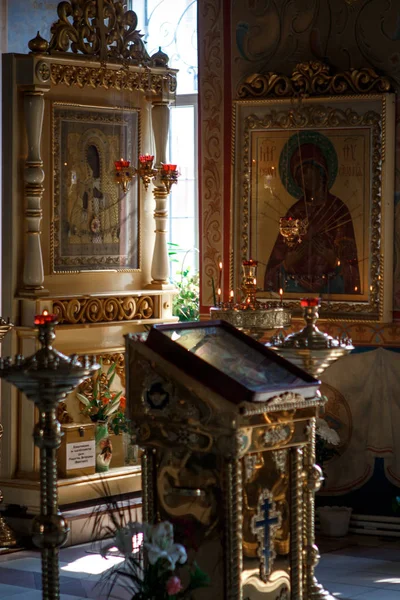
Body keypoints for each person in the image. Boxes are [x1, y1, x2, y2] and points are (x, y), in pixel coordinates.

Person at [264, 136, 360, 295]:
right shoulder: (294, 212)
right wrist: (288, 263)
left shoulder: (338, 210)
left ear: (320, 170)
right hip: (296, 286)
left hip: (332, 286)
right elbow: (272, 273)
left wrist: (333, 260)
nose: (303, 177)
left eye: (307, 170)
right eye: (299, 174)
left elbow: (352, 272)